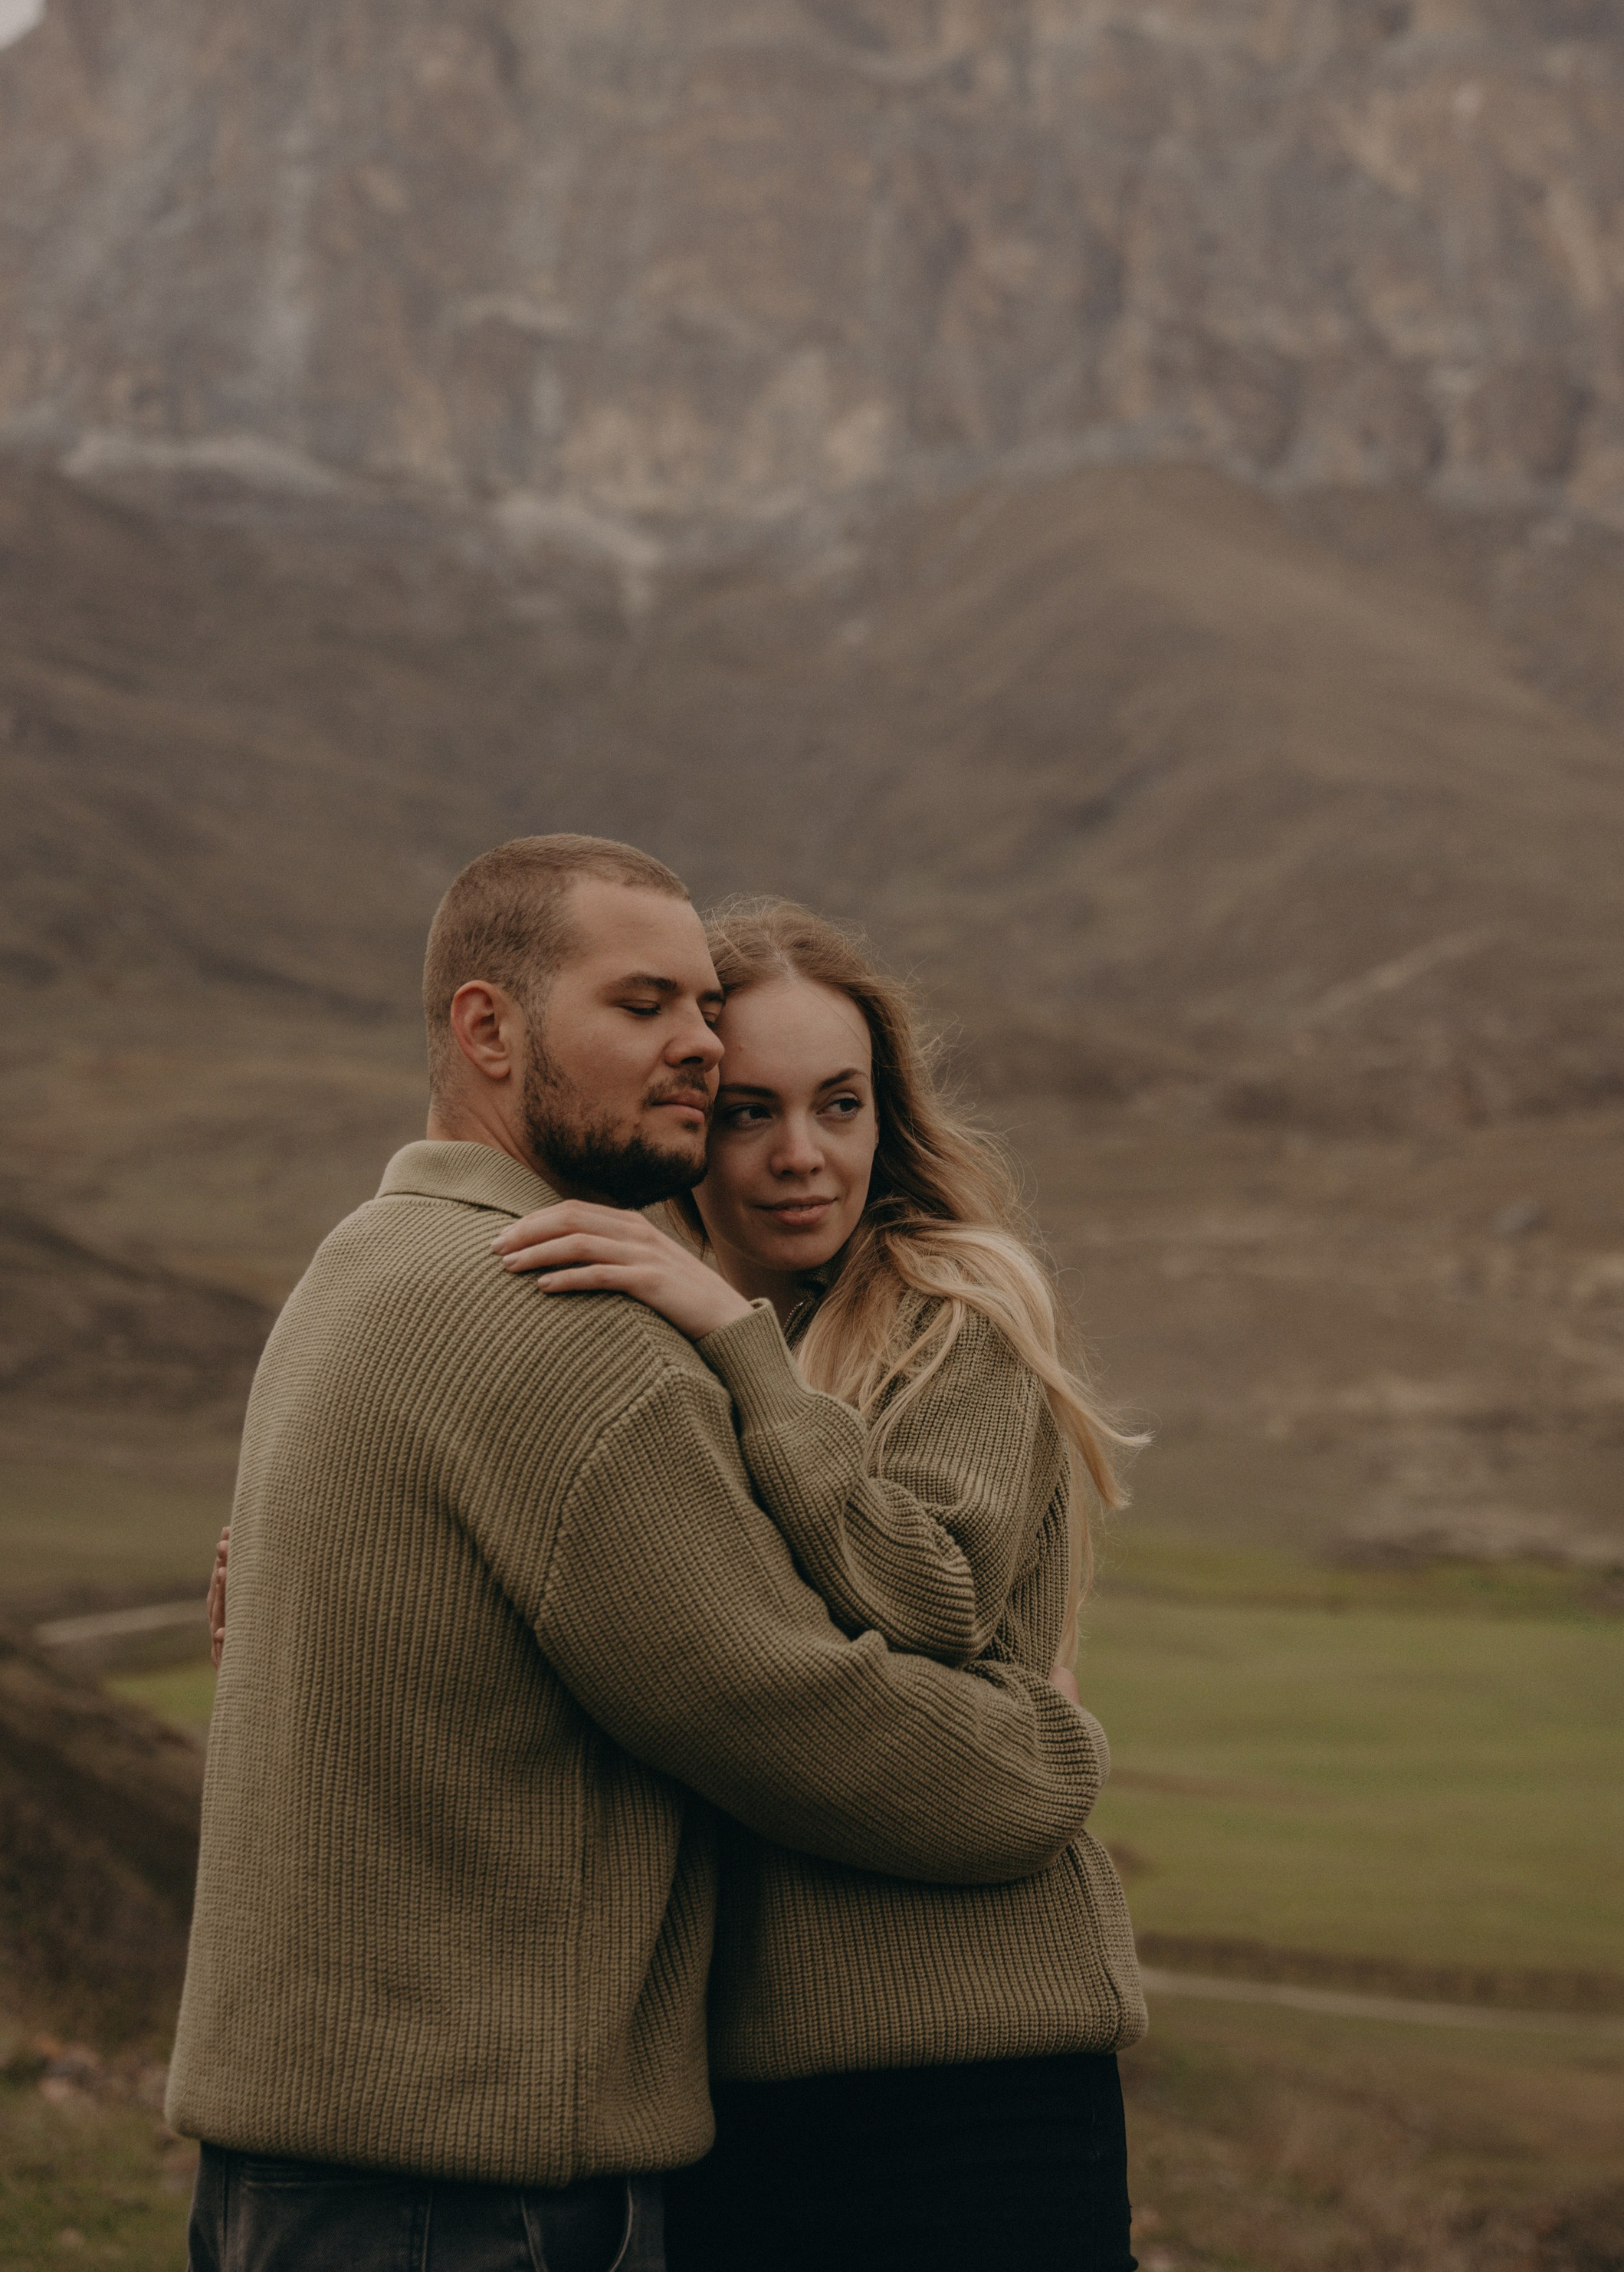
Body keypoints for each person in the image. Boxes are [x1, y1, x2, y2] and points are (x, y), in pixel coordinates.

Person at [172, 836, 1111, 2271]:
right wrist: (1041, 1755)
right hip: (463, 2181)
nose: (690, 1049)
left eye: (838, 1101)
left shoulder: (363, 1264)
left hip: (377, 2159)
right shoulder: (566, 1333)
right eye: (647, 1010)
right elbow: (784, 1707)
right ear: (488, 1027)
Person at [492, 897, 1145, 2272]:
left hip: (982, 2075)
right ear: (685, 1122)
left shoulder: (953, 1310)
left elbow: (928, 1593)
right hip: (728, 2094)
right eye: (747, 1113)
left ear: (885, 1115)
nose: (803, 1157)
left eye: (840, 1105)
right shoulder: (649, 1340)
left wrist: (738, 1342)